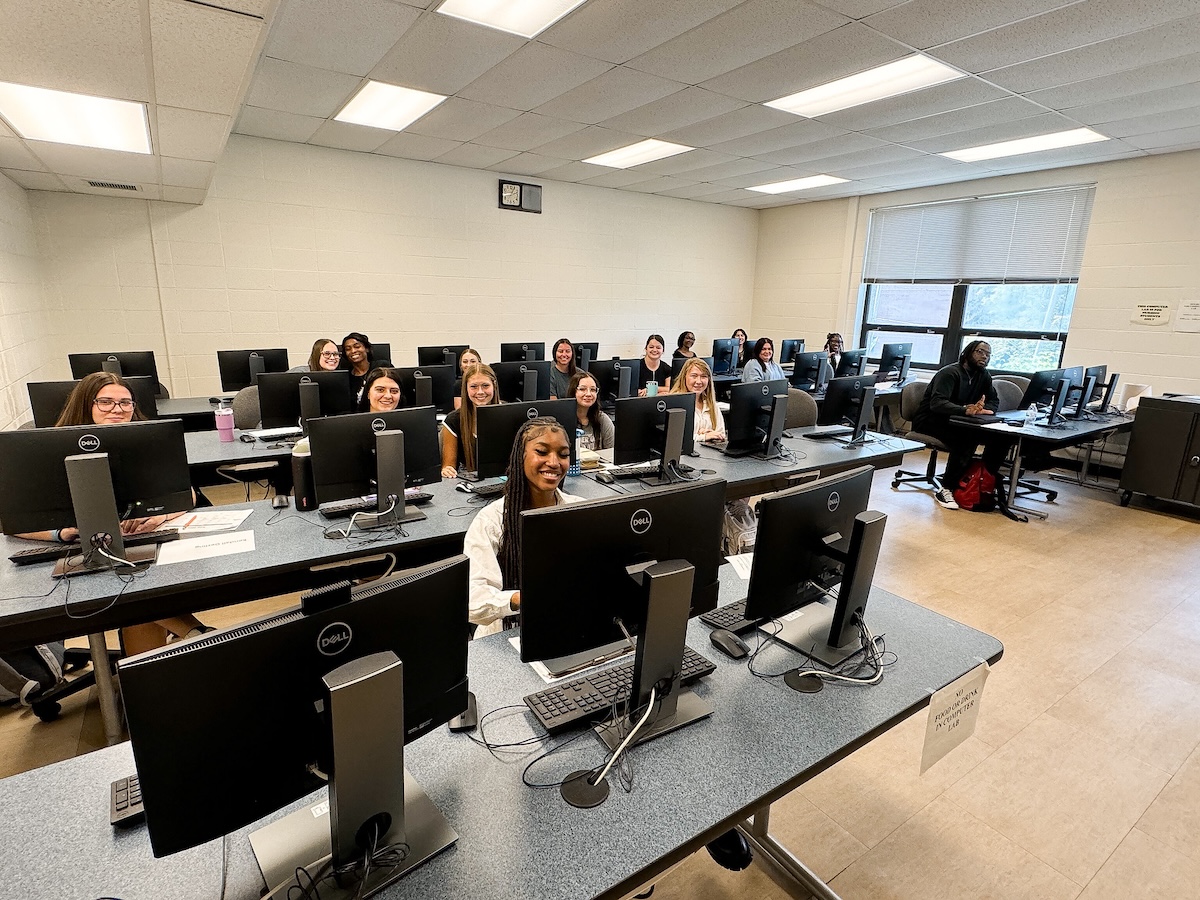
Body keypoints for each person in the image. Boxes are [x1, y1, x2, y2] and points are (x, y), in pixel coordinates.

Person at [18, 372, 210, 654]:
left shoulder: (146, 441)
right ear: (86, 405)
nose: (117, 410)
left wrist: (160, 516)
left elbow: (188, 494)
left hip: (137, 543)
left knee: (141, 579)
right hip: (79, 552)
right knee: (134, 581)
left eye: (126, 403)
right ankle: (195, 635)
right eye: (105, 402)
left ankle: (151, 676)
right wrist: (60, 532)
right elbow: (12, 521)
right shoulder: (48, 448)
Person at [463, 417, 582, 637]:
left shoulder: (580, 510)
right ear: (521, 457)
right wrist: (521, 599)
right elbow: (472, 599)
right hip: (506, 633)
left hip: (567, 625)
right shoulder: (492, 520)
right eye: (542, 452)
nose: (554, 462)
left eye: (563, 454)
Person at [911, 340, 1007, 510]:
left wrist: (985, 410)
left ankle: (979, 481)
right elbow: (937, 404)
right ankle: (946, 488)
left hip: (961, 421)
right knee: (966, 439)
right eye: (980, 352)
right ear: (967, 353)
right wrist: (965, 410)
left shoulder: (983, 375)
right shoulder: (949, 373)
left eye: (988, 354)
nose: (985, 356)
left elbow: (993, 399)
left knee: (1000, 438)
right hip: (930, 419)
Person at [442, 363, 501, 478]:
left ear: (494, 385)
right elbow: (449, 466)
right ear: (466, 388)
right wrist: (447, 470)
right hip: (471, 481)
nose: (480, 392)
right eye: (474, 386)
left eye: (485, 385)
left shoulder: (509, 414)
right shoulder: (453, 421)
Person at [670, 358, 725, 443]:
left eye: (703, 376)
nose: (699, 381)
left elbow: (721, 434)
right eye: (694, 376)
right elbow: (676, 439)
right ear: (684, 377)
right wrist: (703, 437)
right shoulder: (675, 402)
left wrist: (712, 434)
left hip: (708, 453)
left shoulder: (710, 404)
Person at [569, 371, 614, 451]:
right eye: (582, 389)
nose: (589, 394)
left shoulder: (602, 419)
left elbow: (611, 452)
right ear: (573, 392)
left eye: (593, 390)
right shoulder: (564, 419)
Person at [340, 332, 390, 403]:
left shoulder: (382, 367)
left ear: (367, 349)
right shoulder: (345, 377)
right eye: (348, 349)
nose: (353, 351)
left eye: (357, 347)